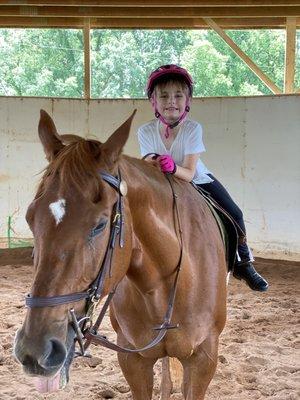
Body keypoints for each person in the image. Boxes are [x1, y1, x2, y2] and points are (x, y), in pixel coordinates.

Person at [137, 64, 268, 292]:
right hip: (160, 184)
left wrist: (170, 167)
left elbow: (187, 172)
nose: (171, 101)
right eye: (164, 96)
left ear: (187, 101)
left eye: (178, 95)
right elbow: (148, 162)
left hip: (196, 180)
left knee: (235, 213)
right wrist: (154, 163)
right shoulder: (145, 131)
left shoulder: (192, 129)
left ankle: (243, 263)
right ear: (154, 102)